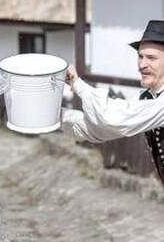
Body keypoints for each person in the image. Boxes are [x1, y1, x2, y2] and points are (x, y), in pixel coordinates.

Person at [63, 20, 164, 185]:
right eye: (140, 56)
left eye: (151, 58)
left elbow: (115, 119)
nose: (142, 65)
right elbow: (99, 129)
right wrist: (53, 115)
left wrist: (78, 85)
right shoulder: (147, 98)